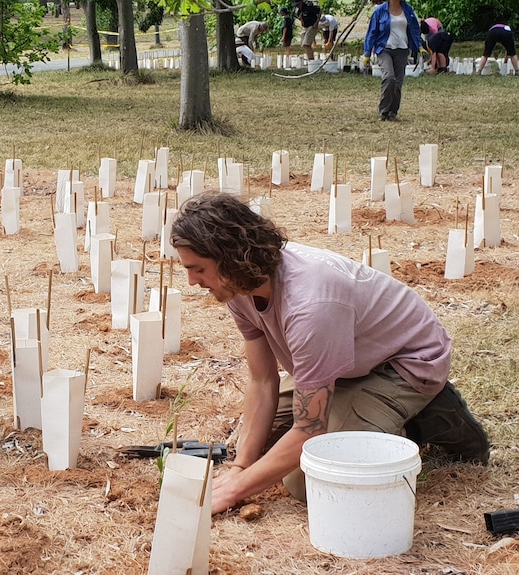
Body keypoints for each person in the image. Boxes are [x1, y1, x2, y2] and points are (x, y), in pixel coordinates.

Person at [169, 192, 490, 516]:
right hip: (349, 361)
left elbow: (310, 428)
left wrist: (233, 490)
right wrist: (240, 467)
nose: (192, 282)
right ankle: (361, 415)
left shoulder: (311, 305)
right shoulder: (237, 286)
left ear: (230, 256)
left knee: (305, 478)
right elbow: (262, 380)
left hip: (404, 363)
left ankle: (427, 420)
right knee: (259, 449)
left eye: (197, 269)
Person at [363, 0, 422, 121]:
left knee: (398, 82)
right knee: (389, 77)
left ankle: (393, 112)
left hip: (402, 49)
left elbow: (415, 29)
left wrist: (420, 45)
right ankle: (384, 111)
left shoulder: (407, 9)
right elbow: (371, 32)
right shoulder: (380, 11)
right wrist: (367, 53)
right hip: (384, 49)